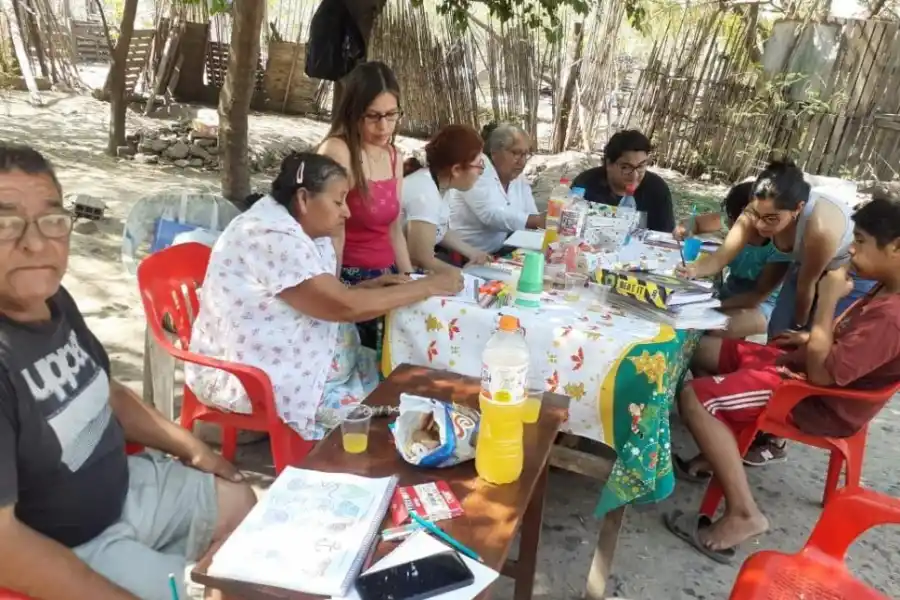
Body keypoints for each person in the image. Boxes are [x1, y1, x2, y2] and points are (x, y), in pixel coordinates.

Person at [0, 144, 256, 600]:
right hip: (72, 545)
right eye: (6, 224)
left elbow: (107, 390)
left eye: (52, 220)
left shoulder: (54, 299)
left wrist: (193, 448)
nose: (35, 244)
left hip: (127, 487)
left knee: (241, 502)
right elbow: (6, 547)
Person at [665, 192, 900, 563]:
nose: (852, 250)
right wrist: (807, 339)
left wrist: (826, 301)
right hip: (806, 367)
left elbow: (824, 376)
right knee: (701, 348)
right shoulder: (885, 286)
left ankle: (744, 513)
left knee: (695, 397)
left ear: (896, 248)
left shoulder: (892, 317)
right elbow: (849, 345)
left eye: (860, 241)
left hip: (815, 398)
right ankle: (722, 444)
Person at [186, 153, 463, 440]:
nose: (347, 213)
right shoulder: (270, 235)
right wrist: (428, 286)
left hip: (306, 363)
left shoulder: (299, 227)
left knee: (405, 376)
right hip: (257, 375)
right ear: (304, 199)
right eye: (338, 201)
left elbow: (316, 298)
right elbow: (343, 306)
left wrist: (367, 289)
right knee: (397, 417)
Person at [678, 160, 860, 339]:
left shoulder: (820, 229)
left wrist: (800, 329)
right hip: (805, 266)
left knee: (823, 339)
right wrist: (694, 269)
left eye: (771, 219)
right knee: (779, 333)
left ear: (798, 208)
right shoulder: (759, 208)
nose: (759, 225)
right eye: (756, 215)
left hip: (849, 270)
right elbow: (720, 257)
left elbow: (806, 286)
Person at [318, 61, 414, 350]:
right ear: (353, 111)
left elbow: (394, 229)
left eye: (391, 115)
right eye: (373, 116)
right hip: (351, 280)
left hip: (387, 277)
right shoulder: (339, 151)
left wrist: (410, 279)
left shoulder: (394, 156)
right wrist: (335, 295)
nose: (383, 126)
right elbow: (332, 231)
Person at [674, 181, 791, 340]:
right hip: (730, 293)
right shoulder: (734, 222)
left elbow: (757, 296)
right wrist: (684, 229)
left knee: (715, 328)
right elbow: (697, 226)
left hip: (763, 306)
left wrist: (715, 305)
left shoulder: (779, 247)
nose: (727, 224)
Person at [402, 124, 492, 271]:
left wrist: (473, 252)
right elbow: (420, 258)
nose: (481, 172)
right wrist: (463, 275)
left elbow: (439, 229)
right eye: (478, 165)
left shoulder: (442, 185)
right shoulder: (425, 192)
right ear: (456, 169)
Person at [449, 123, 545, 254]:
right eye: (516, 153)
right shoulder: (477, 167)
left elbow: (532, 214)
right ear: (494, 152)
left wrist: (545, 225)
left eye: (526, 154)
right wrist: (536, 221)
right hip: (463, 256)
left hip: (498, 251)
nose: (522, 162)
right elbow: (490, 214)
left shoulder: (518, 178)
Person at [572, 129, 675, 232]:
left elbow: (666, 235)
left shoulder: (657, 190)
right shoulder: (585, 184)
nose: (634, 176)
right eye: (626, 167)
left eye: (641, 166)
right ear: (608, 164)